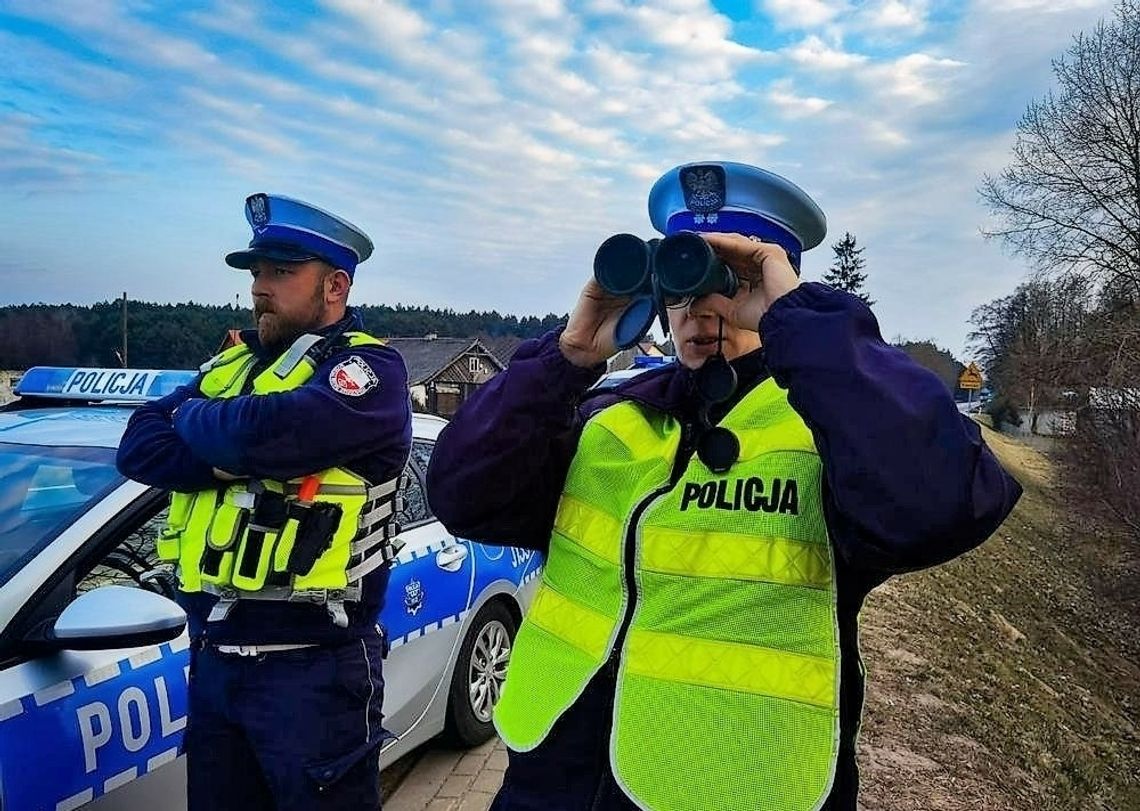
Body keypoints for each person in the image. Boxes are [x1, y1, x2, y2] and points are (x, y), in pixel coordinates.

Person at [425, 162, 1022, 811]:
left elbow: (939, 501)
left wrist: (802, 324)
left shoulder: (829, 436)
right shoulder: (609, 420)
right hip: (547, 786)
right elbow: (461, 493)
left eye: (731, 279)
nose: (699, 306)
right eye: (680, 286)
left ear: (777, 286)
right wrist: (567, 358)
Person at [116, 193, 412, 810]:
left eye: (280, 272)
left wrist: (202, 426)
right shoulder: (229, 368)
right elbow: (140, 447)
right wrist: (236, 445)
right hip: (216, 663)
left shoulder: (370, 371)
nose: (259, 288)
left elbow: (272, 433)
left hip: (315, 672)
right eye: (256, 273)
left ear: (335, 286)